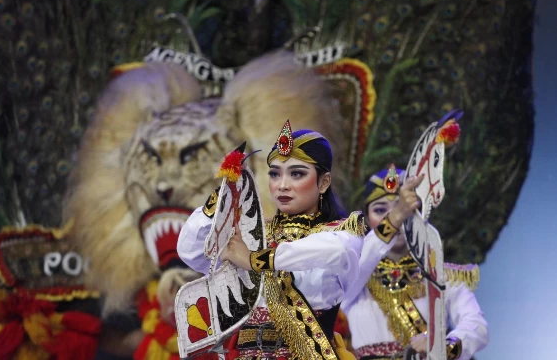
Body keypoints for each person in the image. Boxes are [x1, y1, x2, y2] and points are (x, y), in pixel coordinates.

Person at [177, 122, 421, 360]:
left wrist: (255, 260)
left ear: (323, 182)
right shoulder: (254, 233)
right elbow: (192, 253)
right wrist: (218, 202)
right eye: (275, 173)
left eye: (296, 174)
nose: (283, 185)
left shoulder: (343, 233)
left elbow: (330, 251)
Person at [342, 166, 489, 360]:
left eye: (403, 209)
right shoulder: (354, 277)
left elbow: (476, 324)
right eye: (380, 210)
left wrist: (444, 346)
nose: (397, 216)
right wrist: (394, 218)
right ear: (367, 220)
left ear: (420, 214)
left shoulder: (442, 275)